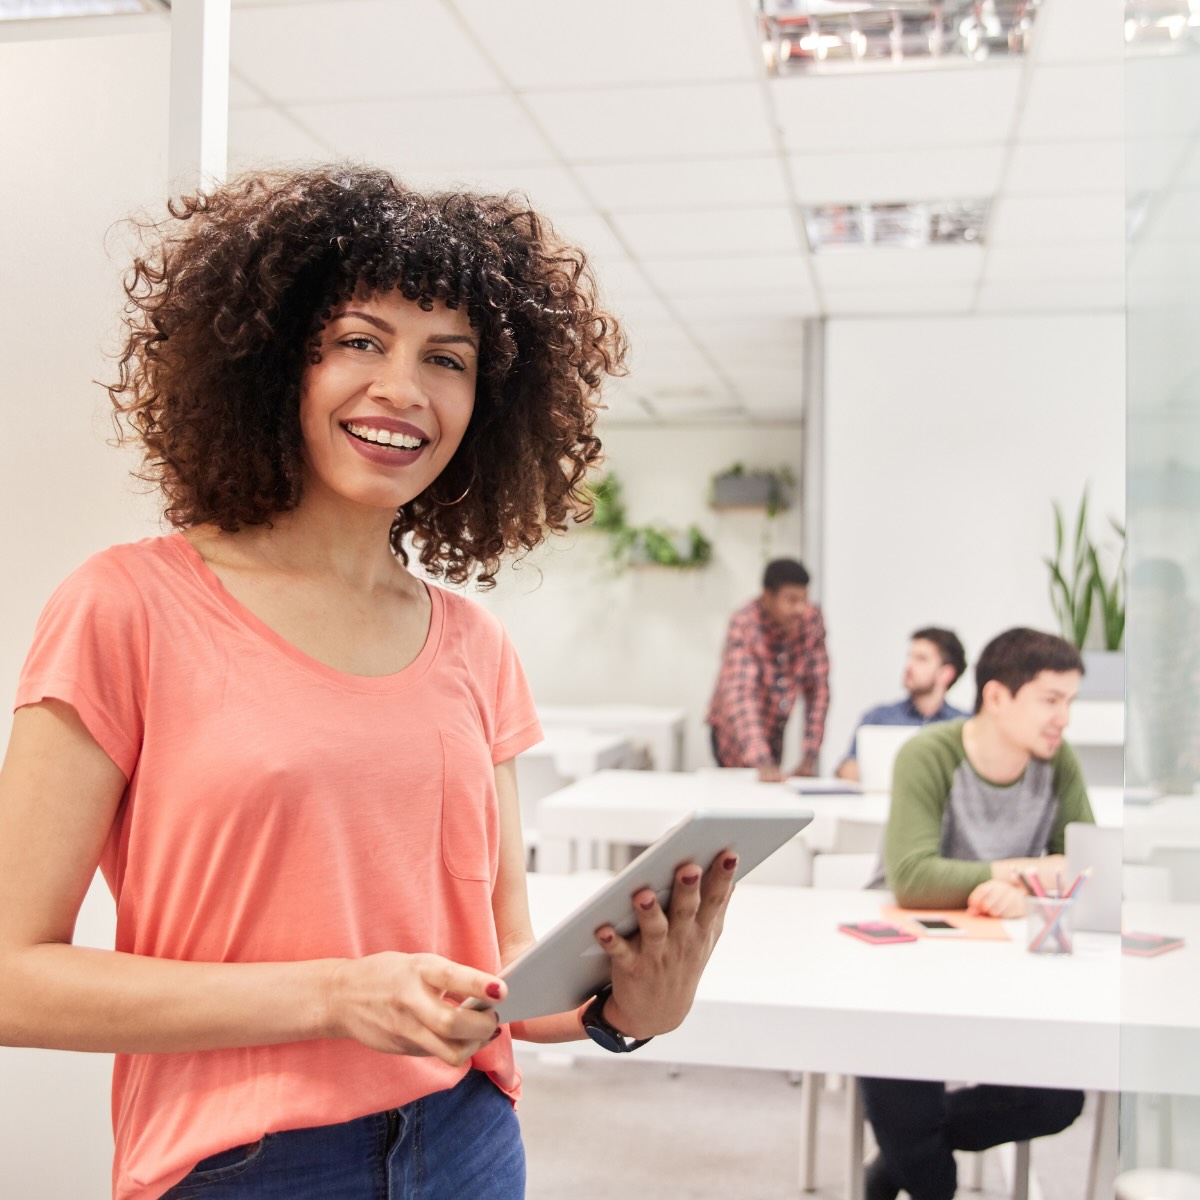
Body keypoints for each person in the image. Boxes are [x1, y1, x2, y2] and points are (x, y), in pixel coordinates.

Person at [0, 166, 739, 1200]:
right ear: (272, 363)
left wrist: (630, 1008)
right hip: (243, 1167)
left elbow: (503, 966)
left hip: (468, 1139)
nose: (403, 388)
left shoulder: (475, 647)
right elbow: (11, 977)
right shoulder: (126, 607)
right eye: (359, 341)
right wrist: (332, 997)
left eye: (448, 359)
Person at [860, 627, 1092, 1200]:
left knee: (1059, 1098)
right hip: (904, 971)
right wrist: (1025, 872)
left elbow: (1087, 864)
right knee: (921, 1151)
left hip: (1006, 970)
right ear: (996, 697)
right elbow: (913, 877)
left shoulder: (1057, 762)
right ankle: (903, 1159)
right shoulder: (928, 754)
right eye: (1050, 700)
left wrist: (1027, 888)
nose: (1063, 719)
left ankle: (892, 1162)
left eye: (1070, 702)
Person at [706, 558, 830, 782]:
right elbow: (741, 696)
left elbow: (818, 690)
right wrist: (761, 761)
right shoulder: (745, 624)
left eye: (804, 599)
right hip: (734, 733)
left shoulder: (811, 621)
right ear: (767, 597)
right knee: (742, 796)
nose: (800, 608)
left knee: (772, 794)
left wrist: (810, 755)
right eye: (791, 600)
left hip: (774, 726)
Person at [835, 627, 968, 781]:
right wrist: (850, 771)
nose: (909, 666)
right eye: (909, 657)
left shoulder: (965, 725)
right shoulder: (878, 718)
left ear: (945, 674)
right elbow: (847, 769)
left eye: (921, 659)